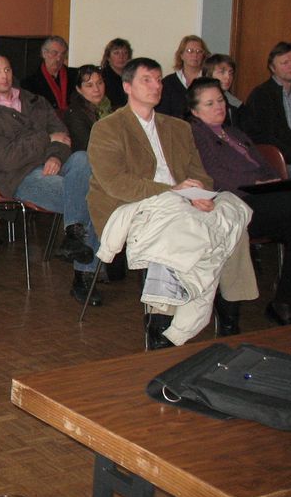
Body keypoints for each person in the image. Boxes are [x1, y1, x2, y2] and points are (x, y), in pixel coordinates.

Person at [87, 58, 256, 348]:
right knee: (177, 227)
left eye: (158, 80)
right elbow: (116, 183)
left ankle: (229, 316)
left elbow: (199, 174)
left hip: (182, 199)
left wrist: (201, 196)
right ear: (127, 87)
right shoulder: (108, 128)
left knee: (231, 219)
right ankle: (160, 323)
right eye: (147, 80)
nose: (156, 86)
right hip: (130, 204)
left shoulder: (177, 127)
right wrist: (174, 191)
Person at [0, 53, 101, 304]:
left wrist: (54, 156)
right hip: (19, 177)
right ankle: (84, 276)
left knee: (83, 159)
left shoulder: (34, 100)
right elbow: (6, 159)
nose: (4, 75)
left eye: (7, 69)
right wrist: (46, 140)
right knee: (92, 197)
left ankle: (73, 235)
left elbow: (62, 135)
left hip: (54, 164)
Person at [187, 77, 291, 327]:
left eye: (220, 100)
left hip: (264, 198)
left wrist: (273, 182)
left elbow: (265, 165)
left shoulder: (235, 132)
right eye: (209, 103)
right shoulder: (195, 136)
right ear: (195, 111)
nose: (219, 106)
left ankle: (285, 299)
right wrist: (257, 185)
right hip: (235, 202)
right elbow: (212, 175)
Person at [241, 41, 291, 178]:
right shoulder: (261, 95)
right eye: (285, 62)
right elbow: (260, 136)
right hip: (282, 160)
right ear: (272, 67)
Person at [156, 34, 210, 118]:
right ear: (181, 55)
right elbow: (162, 114)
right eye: (189, 51)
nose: (195, 55)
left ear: (204, 55)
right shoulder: (168, 82)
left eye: (199, 51)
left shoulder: (209, 81)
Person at [21, 35, 77, 115]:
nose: (59, 59)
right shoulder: (30, 83)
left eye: (63, 54)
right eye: (54, 53)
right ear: (44, 53)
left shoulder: (74, 76)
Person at [63, 65, 112, 152]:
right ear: (79, 89)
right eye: (89, 85)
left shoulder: (108, 107)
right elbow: (87, 147)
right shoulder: (75, 114)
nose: (96, 89)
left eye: (100, 83)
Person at [202, 53, 242, 127]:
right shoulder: (197, 101)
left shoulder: (236, 105)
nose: (228, 77)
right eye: (222, 72)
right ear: (208, 74)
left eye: (231, 73)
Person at [99, 38, 132, 109]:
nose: (121, 57)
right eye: (116, 53)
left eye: (125, 53)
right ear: (108, 57)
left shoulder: (133, 77)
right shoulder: (101, 77)